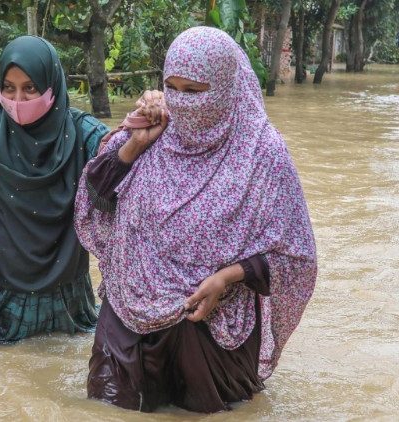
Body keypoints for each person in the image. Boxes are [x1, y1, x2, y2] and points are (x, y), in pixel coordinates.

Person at [75, 27, 317, 414]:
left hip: (209, 328)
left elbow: (295, 257)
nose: (182, 103)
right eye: (172, 88)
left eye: (195, 91)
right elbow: (95, 197)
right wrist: (136, 142)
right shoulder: (153, 130)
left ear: (225, 86)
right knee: (107, 410)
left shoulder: (263, 152)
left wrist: (227, 277)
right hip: (126, 311)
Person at [0, 36, 164, 350]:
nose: (17, 99)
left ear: (52, 86)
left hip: (65, 299)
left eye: (30, 88)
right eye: (8, 88)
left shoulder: (81, 131)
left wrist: (152, 110)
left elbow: (119, 158)